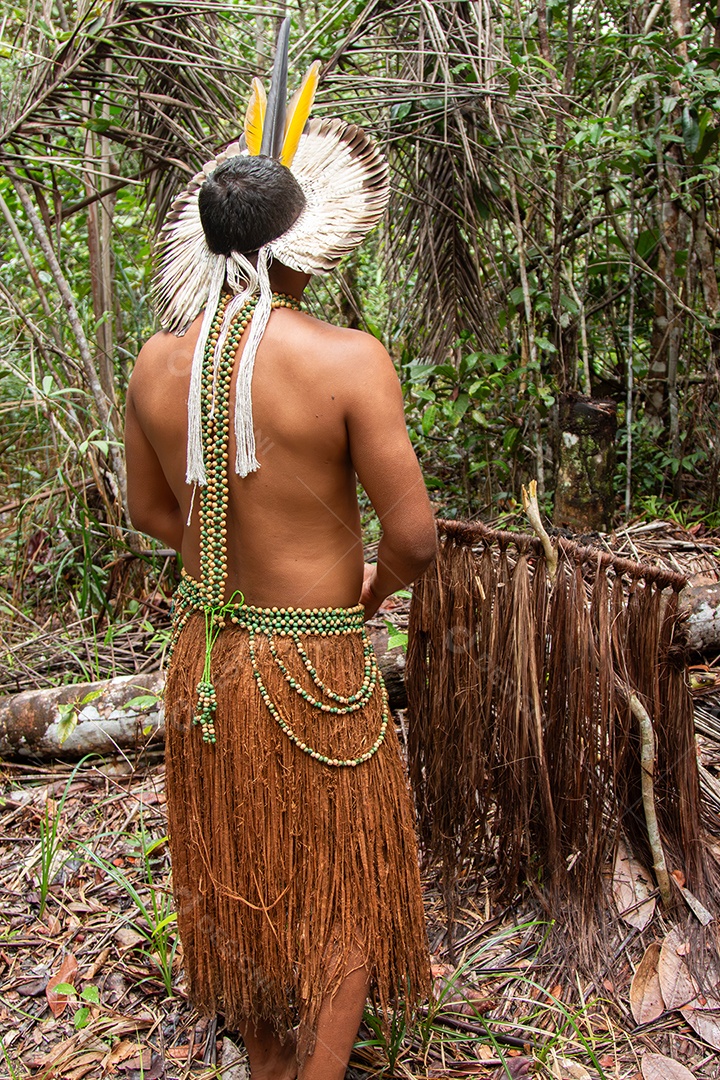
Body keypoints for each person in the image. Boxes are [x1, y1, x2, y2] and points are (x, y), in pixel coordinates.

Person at [125, 21, 437, 1080]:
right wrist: (362, 592)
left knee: (243, 876)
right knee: (343, 886)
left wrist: (218, 566)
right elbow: (416, 539)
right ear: (311, 240)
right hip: (316, 668)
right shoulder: (349, 361)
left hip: (208, 663)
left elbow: (154, 514)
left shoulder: (155, 367)